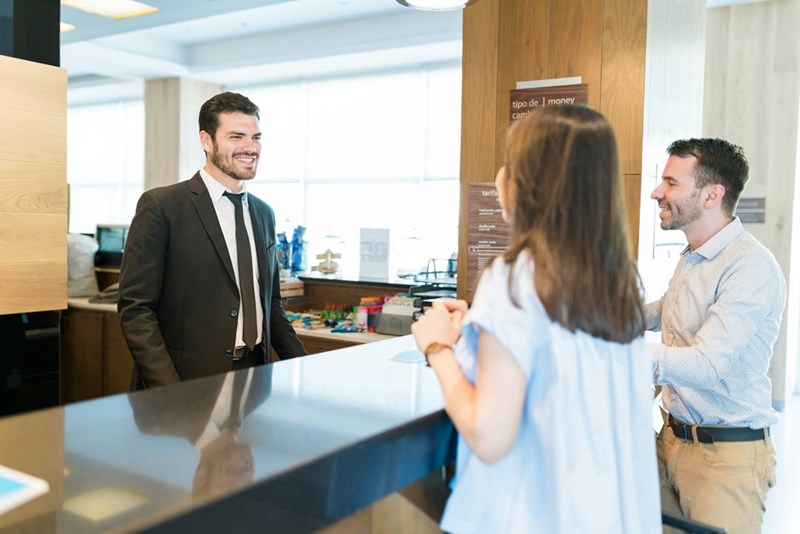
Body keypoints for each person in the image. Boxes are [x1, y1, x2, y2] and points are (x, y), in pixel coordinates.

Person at [411, 104, 661, 533]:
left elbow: (488, 436)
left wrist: (438, 347)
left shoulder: (513, 278)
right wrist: (484, 327)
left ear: (530, 183)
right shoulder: (617, 279)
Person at [119, 91, 306, 390]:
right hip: (186, 381)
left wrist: (303, 368)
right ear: (206, 141)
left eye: (256, 137)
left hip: (255, 378)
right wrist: (170, 390)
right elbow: (136, 309)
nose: (250, 147)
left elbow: (270, 303)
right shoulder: (162, 206)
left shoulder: (264, 214)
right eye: (236, 136)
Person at [647, 138, 787, 534]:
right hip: (671, 440)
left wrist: (623, 357)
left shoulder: (749, 267)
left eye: (671, 183)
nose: (657, 192)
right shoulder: (694, 255)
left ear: (712, 195)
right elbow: (667, 309)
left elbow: (707, 364)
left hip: (725, 459)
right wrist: (603, 317)